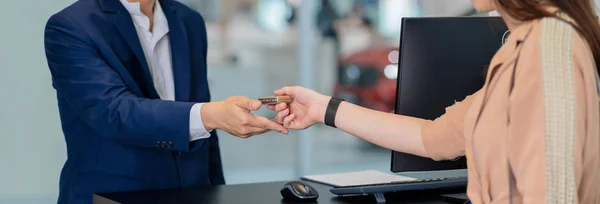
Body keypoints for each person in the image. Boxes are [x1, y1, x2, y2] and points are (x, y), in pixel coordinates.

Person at [271, 0, 600, 203]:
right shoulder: (524, 47)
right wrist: (323, 108)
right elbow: (435, 137)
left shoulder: (549, 47)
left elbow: (552, 194)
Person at [43, 0, 287, 203]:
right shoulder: (71, 26)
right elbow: (115, 112)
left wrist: (216, 190)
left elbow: (205, 132)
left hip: (193, 193)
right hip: (112, 195)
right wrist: (211, 115)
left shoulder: (188, 20)